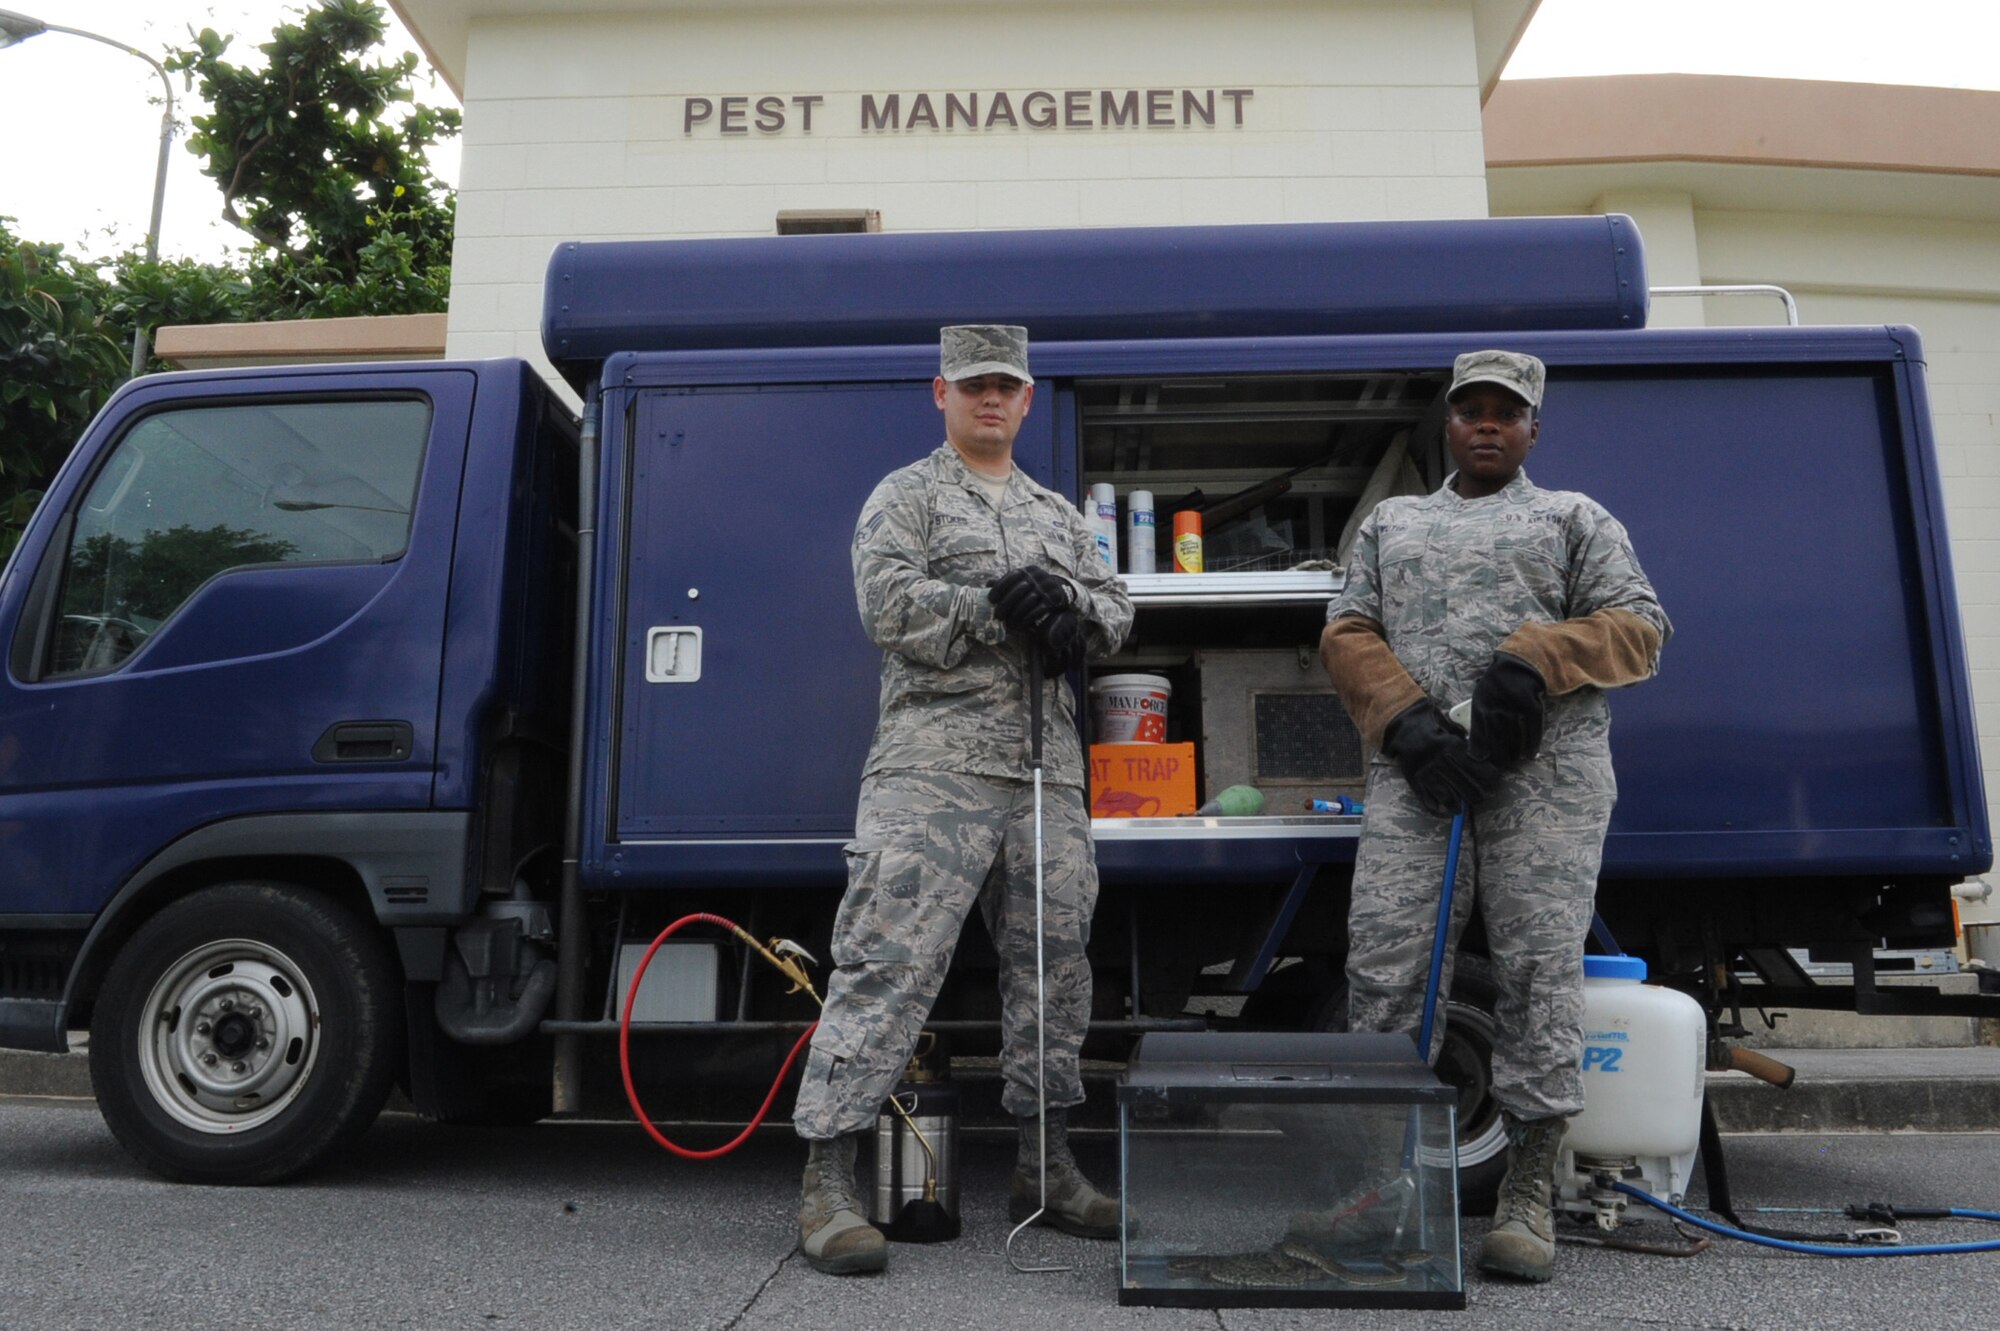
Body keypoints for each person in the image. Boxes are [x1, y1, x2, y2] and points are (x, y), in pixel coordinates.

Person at [1316, 349, 1670, 1283]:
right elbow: (1346, 629)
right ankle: (1378, 1184)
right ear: (1447, 423)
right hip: (1419, 778)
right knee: (1386, 965)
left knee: (1536, 970)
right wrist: (1408, 724)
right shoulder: (1394, 521)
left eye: (1504, 412)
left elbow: (1640, 627)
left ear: (1531, 430)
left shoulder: (1573, 518)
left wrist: (1538, 656)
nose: (1485, 423)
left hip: (1545, 783)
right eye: (1469, 409)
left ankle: (1527, 1189)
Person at [791, 325, 1135, 1276]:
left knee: (1055, 971)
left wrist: (1072, 620)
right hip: (929, 771)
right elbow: (886, 605)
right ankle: (827, 1180)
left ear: (1028, 402)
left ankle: (1045, 1166)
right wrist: (995, 606)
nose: (992, 400)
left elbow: (1115, 607)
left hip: (1046, 775)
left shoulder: (1059, 516)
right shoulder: (906, 496)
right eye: (975, 384)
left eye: (1008, 387)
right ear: (939, 392)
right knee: (885, 963)